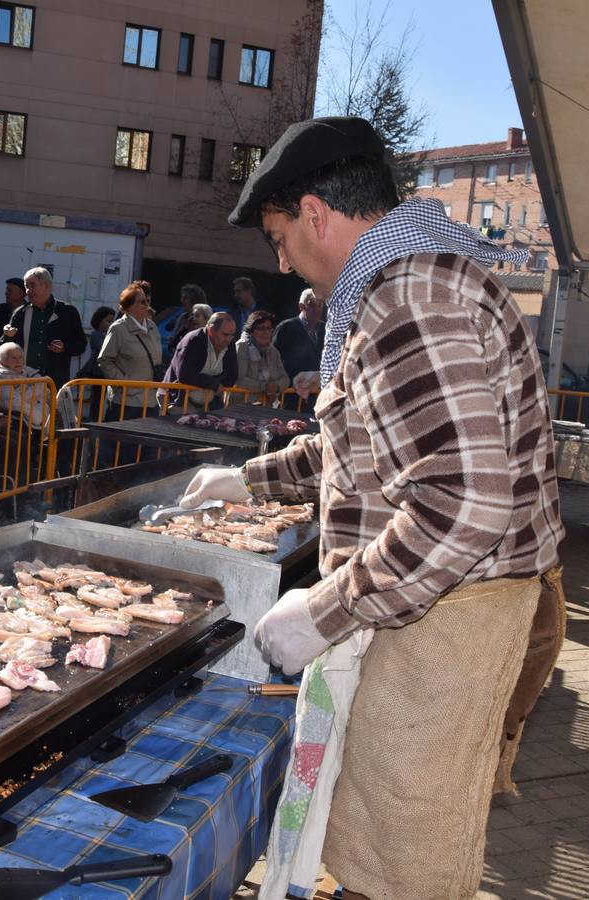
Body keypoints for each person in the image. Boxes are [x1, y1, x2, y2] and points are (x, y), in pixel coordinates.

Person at [180, 117, 562, 900]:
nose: (282, 263)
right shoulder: (411, 280)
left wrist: (326, 609)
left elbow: (463, 506)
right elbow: (361, 451)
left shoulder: (410, 298)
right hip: (438, 606)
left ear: (316, 214)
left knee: (401, 867)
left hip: (448, 622)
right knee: (371, 851)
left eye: (280, 239)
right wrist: (248, 479)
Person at [2, 267, 87, 389]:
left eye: (32, 285)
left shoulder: (67, 312)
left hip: (54, 382)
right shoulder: (20, 313)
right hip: (24, 382)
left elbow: (81, 345)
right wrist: (7, 336)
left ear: (47, 286)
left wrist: (64, 347)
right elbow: (5, 347)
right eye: (26, 286)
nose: (28, 291)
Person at [97, 284, 162, 416]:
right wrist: (124, 383)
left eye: (148, 301)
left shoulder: (152, 326)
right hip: (126, 402)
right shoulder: (118, 328)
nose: (147, 305)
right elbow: (104, 360)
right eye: (142, 302)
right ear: (130, 306)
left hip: (151, 401)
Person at [162, 311, 238, 410]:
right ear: (211, 330)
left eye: (232, 335)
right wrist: (214, 384)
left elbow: (232, 376)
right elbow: (185, 375)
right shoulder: (194, 339)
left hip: (209, 403)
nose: (229, 339)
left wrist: (210, 384)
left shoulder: (230, 343)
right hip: (178, 400)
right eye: (225, 334)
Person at [0, 342, 50, 428]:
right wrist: (39, 418)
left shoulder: (27, 370)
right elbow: (12, 403)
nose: (18, 361)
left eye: (20, 357)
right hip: (21, 422)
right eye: (13, 358)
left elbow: (42, 386)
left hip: (42, 420)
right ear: (2, 361)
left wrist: (20, 395)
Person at [234, 310, 290, 404]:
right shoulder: (242, 347)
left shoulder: (273, 351)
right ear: (251, 330)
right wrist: (265, 386)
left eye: (269, 328)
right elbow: (240, 380)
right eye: (261, 328)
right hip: (241, 405)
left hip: (265, 406)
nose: (266, 332)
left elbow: (285, 379)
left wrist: (276, 386)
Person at [273, 287, 325, 380]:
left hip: (320, 385)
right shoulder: (285, 328)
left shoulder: (326, 329)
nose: (317, 309)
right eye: (312, 305)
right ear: (301, 306)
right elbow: (273, 358)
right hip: (292, 385)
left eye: (320, 305)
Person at [0, 277, 26, 353]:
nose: (6, 293)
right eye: (6, 290)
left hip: (20, 355)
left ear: (21, 294)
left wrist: (0, 326)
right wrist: (5, 329)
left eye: (9, 290)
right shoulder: (0, 308)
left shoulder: (29, 311)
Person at [166, 284, 207, 354]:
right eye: (182, 297)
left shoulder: (206, 319)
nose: (182, 300)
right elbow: (174, 341)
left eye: (185, 298)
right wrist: (173, 340)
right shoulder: (183, 318)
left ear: (194, 300)